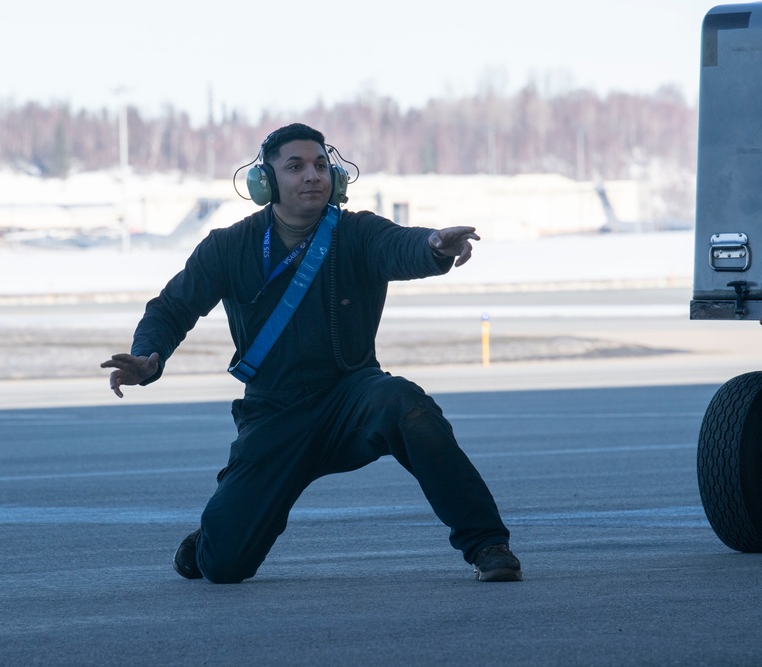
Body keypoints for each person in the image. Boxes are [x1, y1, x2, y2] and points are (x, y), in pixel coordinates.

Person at [100, 123, 522, 584]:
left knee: (406, 403)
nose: (312, 176)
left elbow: (399, 245)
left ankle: (487, 544)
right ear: (265, 181)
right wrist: (148, 357)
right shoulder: (228, 246)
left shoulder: (357, 232)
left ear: (335, 177)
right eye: (296, 166)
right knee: (224, 567)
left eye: (321, 165)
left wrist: (433, 246)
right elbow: (172, 308)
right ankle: (212, 537)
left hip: (352, 399)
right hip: (274, 413)